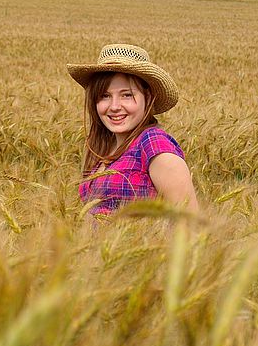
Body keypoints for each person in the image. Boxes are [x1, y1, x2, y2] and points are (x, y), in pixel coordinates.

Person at [66, 43, 198, 217]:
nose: (114, 106)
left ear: (148, 97)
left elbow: (190, 225)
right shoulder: (103, 148)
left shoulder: (154, 144)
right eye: (105, 96)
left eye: (126, 95)